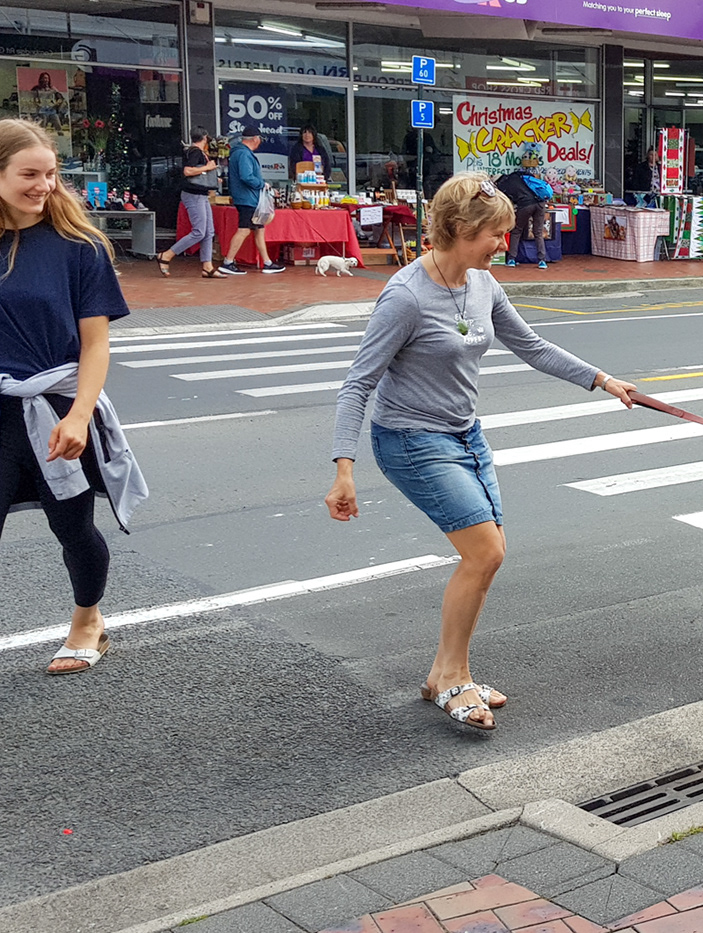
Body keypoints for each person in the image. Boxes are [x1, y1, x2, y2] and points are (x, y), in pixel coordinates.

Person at [326, 173, 640, 730]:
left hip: (466, 435)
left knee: (487, 555)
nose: (504, 243)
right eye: (495, 233)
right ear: (458, 229)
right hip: (411, 439)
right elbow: (358, 384)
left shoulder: (482, 284)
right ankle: (451, 677)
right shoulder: (405, 297)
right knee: (484, 553)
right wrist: (343, 469)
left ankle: (446, 674)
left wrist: (600, 379)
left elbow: (531, 346)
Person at [0, 118, 149, 675]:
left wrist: (81, 415)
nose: (43, 185)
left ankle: (88, 619)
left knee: (73, 528)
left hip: (57, 408)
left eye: (50, 174)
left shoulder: (79, 247)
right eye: (29, 174)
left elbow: (95, 344)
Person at [158, 129, 225, 279]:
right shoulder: (195, 152)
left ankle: (207, 266)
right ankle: (167, 255)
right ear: (205, 138)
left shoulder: (195, 152)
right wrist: (208, 168)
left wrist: (211, 178)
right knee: (199, 231)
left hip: (200, 194)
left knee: (208, 231)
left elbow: (197, 173)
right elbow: (188, 171)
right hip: (194, 195)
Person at [219, 125, 284, 276]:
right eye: (260, 139)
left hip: (250, 199)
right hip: (247, 199)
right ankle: (228, 262)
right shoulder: (244, 154)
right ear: (255, 139)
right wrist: (262, 184)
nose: (260, 142)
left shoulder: (239, 152)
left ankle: (267, 263)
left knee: (259, 229)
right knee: (244, 230)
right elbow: (246, 176)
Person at [494, 159, 550, 269]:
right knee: (538, 232)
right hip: (540, 202)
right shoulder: (517, 175)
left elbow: (508, 201)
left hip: (525, 205)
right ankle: (542, 261)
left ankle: (511, 259)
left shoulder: (503, 185)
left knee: (517, 231)